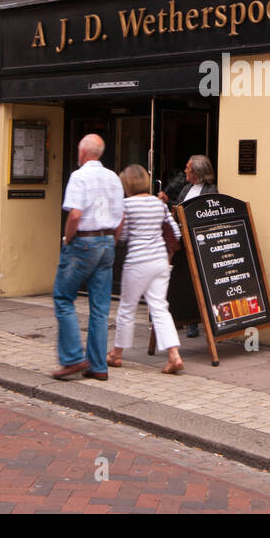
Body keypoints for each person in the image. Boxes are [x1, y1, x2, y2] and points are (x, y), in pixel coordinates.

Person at [50, 134, 124, 382]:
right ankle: (98, 366)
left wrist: (67, 240)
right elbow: (122, 217)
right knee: (100, 309)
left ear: (82, 153)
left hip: (83, 242)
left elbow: (75, 215)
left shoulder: (78, 176)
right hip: (106, 242)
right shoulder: (113, 177)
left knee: (63, 297)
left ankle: (72, 358)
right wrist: (112, 240)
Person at [109, 164, 184, 375]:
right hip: (160, 261)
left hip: (138, 262)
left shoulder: (127, 205)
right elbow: (175, 234)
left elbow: (122, 236)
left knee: (126, 308)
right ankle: (174, 355)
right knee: (160, 307)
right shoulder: (158, 204)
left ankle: (116, 354)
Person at [158, 154, 218, 336]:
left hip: (198, 243)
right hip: (182, 242)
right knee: (181, 281)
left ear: (197, 172)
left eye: (188, 168)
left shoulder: (210, 191)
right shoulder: (186, 189)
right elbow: (179, 210)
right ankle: (181, 319)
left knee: (197, 282)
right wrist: (169, 205)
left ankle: (197, 322)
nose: (185, 171)